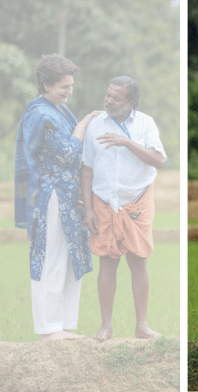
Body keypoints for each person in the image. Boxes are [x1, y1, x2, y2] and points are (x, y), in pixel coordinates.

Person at [14, 54, 99, 341]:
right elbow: (67, 153)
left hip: (68, 196)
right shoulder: (40, 115)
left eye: (71, 85)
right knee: (49, 258)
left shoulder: (58, 110)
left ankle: (61, 324)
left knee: (69, 258)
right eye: (64, 86)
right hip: (49, 196)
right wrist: (85, 123)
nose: (69, 91)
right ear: (46, 84)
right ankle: (48, 328)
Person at [81, 76, 167, 341]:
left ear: (131, 102)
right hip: (104, 202)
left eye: (115, 98)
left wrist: (126, 142)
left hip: (136, 202)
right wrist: (88, 209)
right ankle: (106, 326)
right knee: (107, 262)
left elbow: (159, 160)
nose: (108, 101)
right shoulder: (96, 124)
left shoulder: (145, 124)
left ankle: (142, 326)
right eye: (107, 95)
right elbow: (86, 169)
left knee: (138, 261)